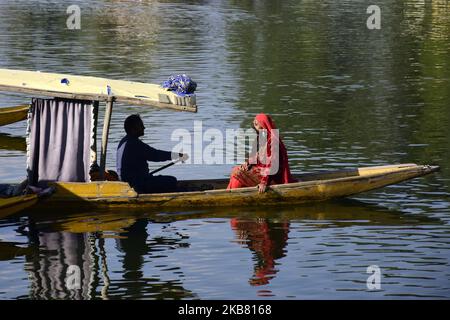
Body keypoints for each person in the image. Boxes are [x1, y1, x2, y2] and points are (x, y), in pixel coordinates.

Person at [117, 114, 188, 194]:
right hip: (136, 185)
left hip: (132, 182)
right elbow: (156, 155)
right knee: (172, 180)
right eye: (141, 125)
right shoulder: (134, 144)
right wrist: (177, 155)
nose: (144, 127)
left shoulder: (125, 141)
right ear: (133, 129)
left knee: (169, 181)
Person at [227, 113, 296, 193]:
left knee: (238, 174)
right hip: (262, 170)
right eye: (254, 123)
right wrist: (248, 163)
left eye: (256, 123)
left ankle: (232, 195)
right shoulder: (262, 136)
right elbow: (258, 156)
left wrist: (264, 182)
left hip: (272, 177)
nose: (254, 125)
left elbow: (272, 165)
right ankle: (229, 192)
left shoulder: (273, 141)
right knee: (236, 169)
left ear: (263, 125)